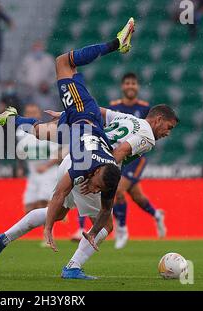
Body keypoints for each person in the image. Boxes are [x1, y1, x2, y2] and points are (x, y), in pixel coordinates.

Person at [0, 18, 139, 279]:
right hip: (81, 117)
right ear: (99, 169)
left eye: (100, 186)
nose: (97, 187)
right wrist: (48, 231)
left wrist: (86, 230)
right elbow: (58, 193)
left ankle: (13, 118)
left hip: (76, 129)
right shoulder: (86, 164)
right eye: (98, 183)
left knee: (60, 73)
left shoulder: (107, 173)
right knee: (61, 68)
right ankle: (117, 43)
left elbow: (103, 209)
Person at [0, 103, 178, 279]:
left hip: (73, 158)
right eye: (168, 127)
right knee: (106, 225)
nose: (167, 133)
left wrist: (66, 113)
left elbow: (96, 111)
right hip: (93, 170)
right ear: (158, 119)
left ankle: (2, 238)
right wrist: (96, 176)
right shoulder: (147, 137)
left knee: (58, 212)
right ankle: (73, 267)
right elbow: (120, 152)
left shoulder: (127, 118)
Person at [74, 72, 166, 248]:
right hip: (115, 156)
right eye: (127, 83)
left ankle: (122, 229)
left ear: (137, 87)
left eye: (133, 83)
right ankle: (156, 215)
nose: (130, 86)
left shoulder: (146, 109)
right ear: (122, 86)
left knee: (118, 191)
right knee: (136, 196)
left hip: (133, 159)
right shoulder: (115, 107)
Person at [16, 103, 62, 213]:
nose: (31, 115)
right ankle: (56, 216)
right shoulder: (20, 133)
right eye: (28, 113)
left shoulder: (46, 130)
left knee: (44, 204)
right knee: (29, 207)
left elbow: (59, 154)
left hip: (48, 172)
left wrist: (46, 166)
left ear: (39, 115)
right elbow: (21, 151)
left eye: (34, 113)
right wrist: (20, 167)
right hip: (33, 173)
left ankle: (49, 228)